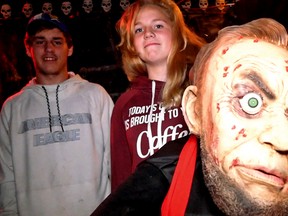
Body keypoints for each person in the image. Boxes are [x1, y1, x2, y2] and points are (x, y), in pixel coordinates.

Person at [92, 17, 288, 215]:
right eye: (250, 102)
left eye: (158, 25)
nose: (284, 139)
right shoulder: (163, 175)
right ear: (195, 112)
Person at [0, 13, 114, 216]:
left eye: (57, 41)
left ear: (70, 48)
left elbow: (113, 164)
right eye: (40, 41)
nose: (48, 49)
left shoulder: (96, 96)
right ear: (28, 49)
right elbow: (6, 178)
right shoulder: (12, 108)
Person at [110, 0, 205, 192]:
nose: (148, 33)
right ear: (132, 45)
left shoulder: (201, 90)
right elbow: (121, 179)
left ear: (176, 33)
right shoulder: (124, 104)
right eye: (138, 30)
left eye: (158, 25)